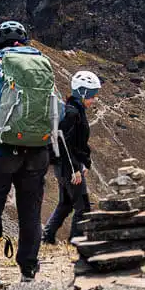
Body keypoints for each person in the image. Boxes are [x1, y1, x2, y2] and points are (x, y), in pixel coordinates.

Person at [0, 20, 57, 289]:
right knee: (30, 211)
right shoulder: (44, 67)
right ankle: (29, 271)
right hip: (37, 152)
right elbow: (58, 111)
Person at [43, 69, 101, 245]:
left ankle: (47, 237)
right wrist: (75, 169)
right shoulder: (72, 113)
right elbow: (66, 143)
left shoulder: (74, 110)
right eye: (92, 95)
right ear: (82, 92)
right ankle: (76, 243)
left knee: (66, 203)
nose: (94, 99)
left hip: (64, 166)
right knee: (83, 207)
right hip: (69, 167)